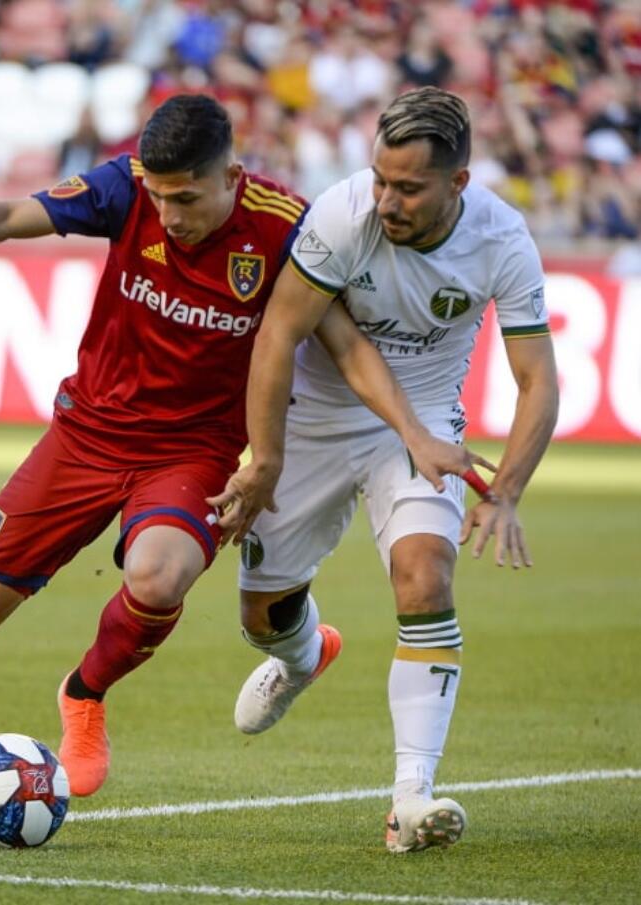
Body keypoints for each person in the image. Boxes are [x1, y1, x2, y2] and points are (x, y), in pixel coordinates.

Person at [0, 94, 476, 826]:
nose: (169, 215)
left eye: (187, 198)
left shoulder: (284, 226)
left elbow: (343, 340)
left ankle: (84, 691)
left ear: (231, 174)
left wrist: (414, 434)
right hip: (86, 435)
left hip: (193, 452)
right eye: (160, 197)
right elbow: (13, 220)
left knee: (160, 573)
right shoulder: (124, 185)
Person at [210, 87, 559, 853]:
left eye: (408, 188)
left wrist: (505, 493)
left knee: (425, 577)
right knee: (260, 616)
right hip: (315, 416)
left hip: (426, 426)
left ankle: (411, 796)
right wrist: (264, 460)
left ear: (458, 184)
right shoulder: (341, 215)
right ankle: (303, 655)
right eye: (380, 179)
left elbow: (538, 379)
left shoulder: (503, 239)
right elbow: (278, 338)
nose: (387, 200)